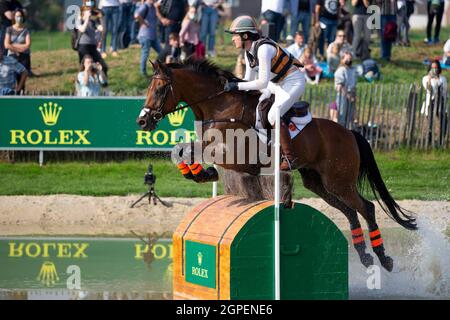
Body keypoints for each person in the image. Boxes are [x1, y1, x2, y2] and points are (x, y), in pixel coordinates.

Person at [224, 16, 306, 171]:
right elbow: (248, 80)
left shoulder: (263, 49)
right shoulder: (248, 53)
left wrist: (236, 86)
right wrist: (231, 86)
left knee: (273, 114)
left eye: (235, 35)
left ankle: (289, 157)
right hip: (277, 84)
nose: (233, 39)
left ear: (245, 36)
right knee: (258, 108)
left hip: (293, 81)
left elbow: (261, 82)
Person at [76, 5, 109, 76]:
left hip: (93, 46)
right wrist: (87, 19)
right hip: (83, 47)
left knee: (103, 66)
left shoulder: (93, 21)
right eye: (87, 10)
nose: (89, 12)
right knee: (84, 67)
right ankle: (81, 82)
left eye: (90, 10)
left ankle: (103, 83)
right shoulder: (79, 20)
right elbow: (82, 29)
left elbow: (102, 29)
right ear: (83, 12)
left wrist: (101, 18)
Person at [135, 0, 160, 76]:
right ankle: (143, 73)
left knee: (162, 52)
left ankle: (162, 69)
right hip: (145, 35)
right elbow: (137, 15)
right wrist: (144, 23)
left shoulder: (154, 6)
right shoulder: (145, 6)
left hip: (153, 36)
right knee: (145, 54)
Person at [4, 9, 30, 74]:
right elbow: (6, 45)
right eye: (17, 16)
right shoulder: (9, 29)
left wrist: (12, 45)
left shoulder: (26, 30)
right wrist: (19, 49)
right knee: (13, 76)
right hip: (12, 56)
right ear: (14, 17)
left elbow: (28, 45)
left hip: (24, 56)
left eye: (20, 16)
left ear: (23, 17)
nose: (19, 18)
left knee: (23, 75)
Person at [334, 51, 356, 128]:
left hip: (351, 94)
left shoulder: (352, 70)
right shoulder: (341, 70)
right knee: (342, 115)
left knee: (350, 116)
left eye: (350, 59)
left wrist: (354, 95)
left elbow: (353, 84)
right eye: (347, 59)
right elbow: (340, 86)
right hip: (343, 96)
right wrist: (347, 95)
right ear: (342, 59)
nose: (349, 60)